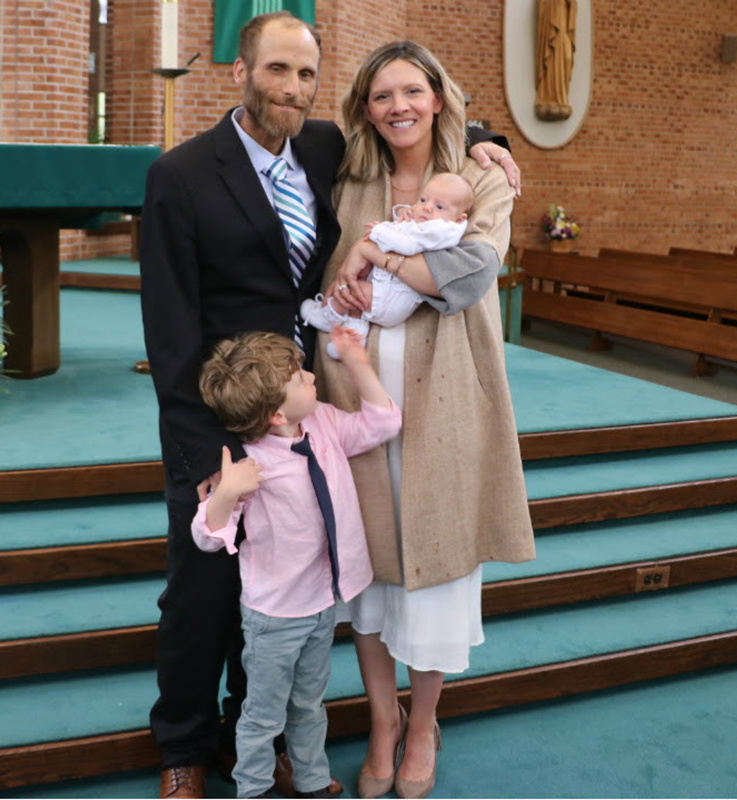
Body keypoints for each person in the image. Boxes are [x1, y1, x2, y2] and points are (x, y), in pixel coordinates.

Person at [139, 11, 520, 798]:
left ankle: (264, 734)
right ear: (240, 72)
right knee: (204, 590)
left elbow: (411, 118)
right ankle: (182, 745)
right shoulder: (180, 175)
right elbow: (171, 333)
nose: (293, 88)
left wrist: (488, 139)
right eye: (277, 70)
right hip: (224, 416)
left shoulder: (322, 149)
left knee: (290, 585)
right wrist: (204, 457)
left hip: (313, 408)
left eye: (307, 75)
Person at [314, 41, 536, 799]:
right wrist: (367, 258)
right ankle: (382, 721)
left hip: (449, 391)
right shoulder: (348, 175)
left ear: (439, 96)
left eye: (413, 90)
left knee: (437, 562)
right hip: (356, 387)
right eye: (382, 96)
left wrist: (369, 255)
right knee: (369, 565)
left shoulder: (480, 176)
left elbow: (472, 275)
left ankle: (426, 720)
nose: (398, 106)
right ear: (365, 108)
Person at [192, 328, 400, 798]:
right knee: (263, 714)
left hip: (321, 603)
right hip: (274, 615)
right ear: (276, 413)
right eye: (300, 377)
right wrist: (226, 492)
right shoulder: (252, 464)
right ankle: (255, 788)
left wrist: (356, 361)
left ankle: (308, 781)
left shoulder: (322, 423)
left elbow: (383, 422)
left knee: (309, 704)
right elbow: (207, 537)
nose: (311, 376)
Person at [298, 172, 474, 359]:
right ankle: (355, 334)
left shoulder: (440, 230)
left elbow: (407, 244)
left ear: (459, 219)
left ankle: (329, 315)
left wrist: (379, 232)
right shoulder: (435, 221)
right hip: (386, 286)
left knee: (352, 289)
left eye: (439, 206)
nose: (427, 208)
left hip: (394, 296)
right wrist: (404, 213)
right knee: (357, 286)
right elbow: (406, 226)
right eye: (423, 199)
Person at [535, 0, 578, 121]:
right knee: (552, 60)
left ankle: (562, 96)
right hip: (552, 31)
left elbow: (573, 6)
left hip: (563, 29)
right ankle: (548, 96)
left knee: (567, 58)